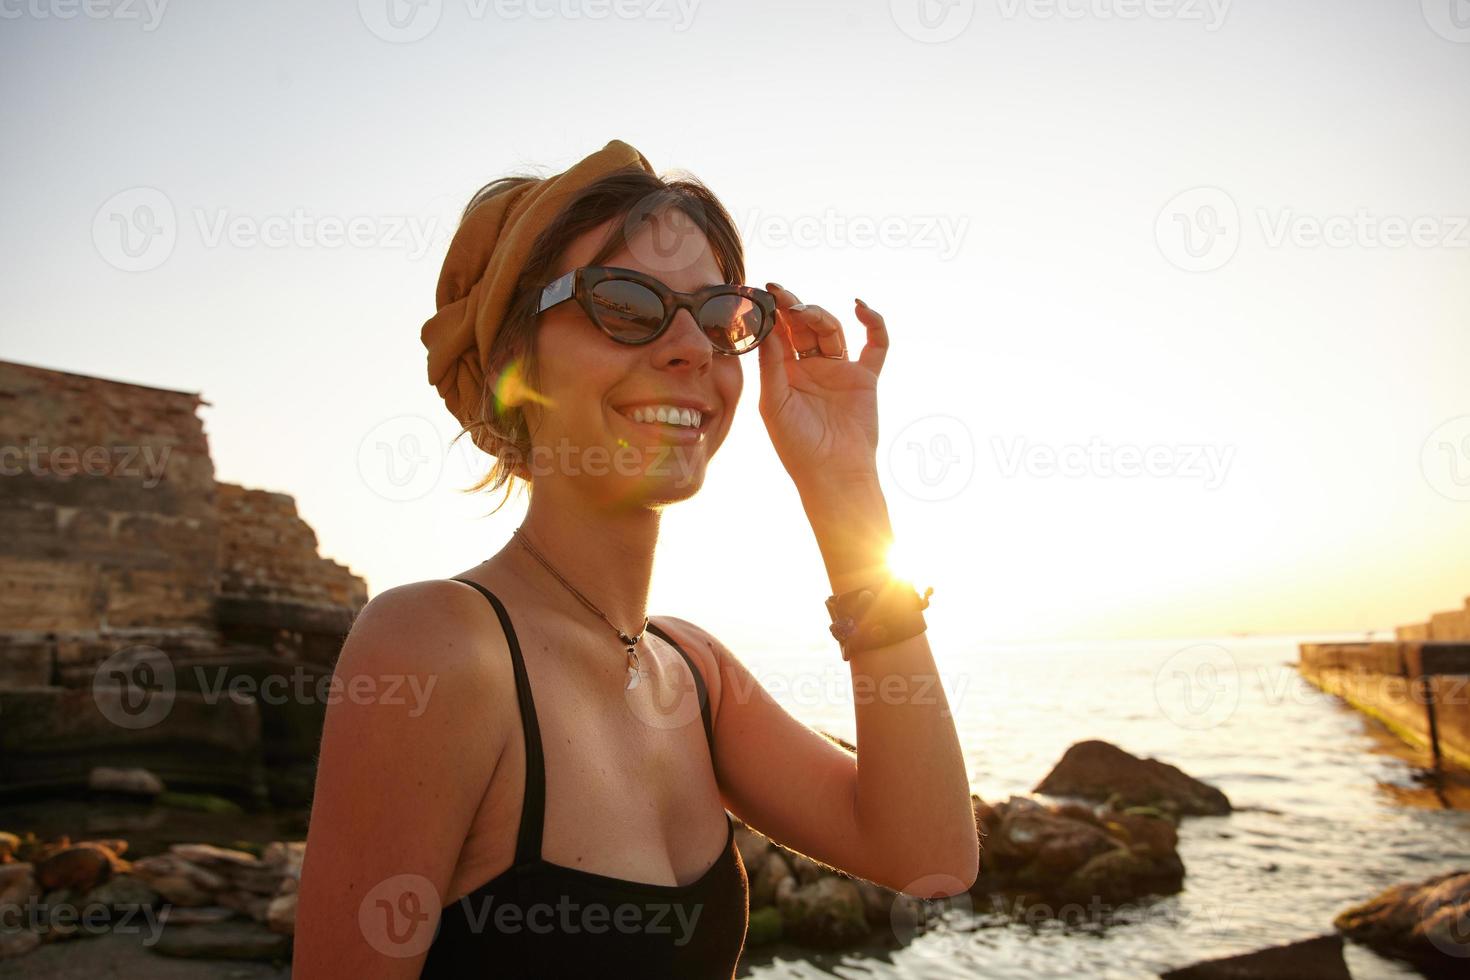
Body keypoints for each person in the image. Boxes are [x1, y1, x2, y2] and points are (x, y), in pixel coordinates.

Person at [292, 140, 978, 979]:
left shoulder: (692, 673)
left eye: (722, 315)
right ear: (515, 362)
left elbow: (931, 854)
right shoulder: (436, 646)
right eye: (623, 303)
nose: (691, 346)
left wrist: (844, 491)